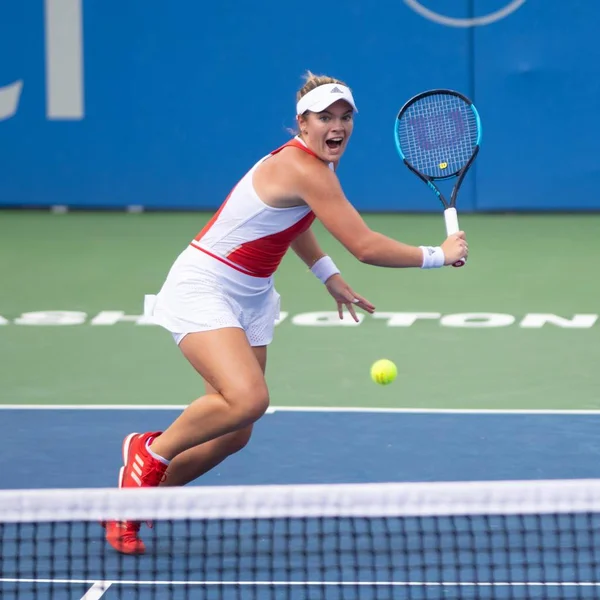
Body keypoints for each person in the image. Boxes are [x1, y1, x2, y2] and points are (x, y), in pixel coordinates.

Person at [103, 71, 468, 554]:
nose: (337, 126)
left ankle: (133, 503)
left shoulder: (317, 169)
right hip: (205, 284)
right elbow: (364, 245)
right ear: (303, 122)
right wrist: (439, 255)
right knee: (248, 398)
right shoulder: (304, 169)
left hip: (251, 294)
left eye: (345, 117)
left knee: (235, 433)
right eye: (325, 117)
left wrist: (326, 275)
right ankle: (147, 452)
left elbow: (292, 222)